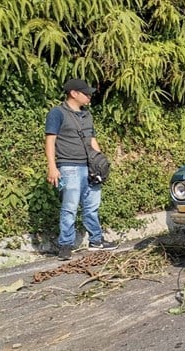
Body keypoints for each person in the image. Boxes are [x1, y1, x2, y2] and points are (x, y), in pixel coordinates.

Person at [45, 79, 118, 261]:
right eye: (86, 93)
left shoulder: (87, 115)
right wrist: (52, 167)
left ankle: (96, 240)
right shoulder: (57, 113)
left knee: (92, 207)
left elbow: (92, 139)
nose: (89, 96)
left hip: (91, 167)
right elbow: (50, 141)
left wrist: (101, 162)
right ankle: (65, 245)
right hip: (69, 166)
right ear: (73, 93)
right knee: (69, 207)